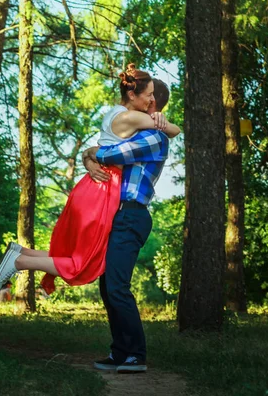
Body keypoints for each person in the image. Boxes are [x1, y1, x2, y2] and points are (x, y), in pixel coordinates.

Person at [0, 65, 179, 298]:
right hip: (102, 190)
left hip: (94, 186)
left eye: (153, 95)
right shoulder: (137, 121)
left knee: (76, 253)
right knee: (82, 263)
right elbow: (171, 131)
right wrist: (160, 121)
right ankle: (20, 262)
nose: (150, 99)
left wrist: (89, 157)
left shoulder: (121, 116)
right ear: (137, 97)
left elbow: (100, 150)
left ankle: (22, 254)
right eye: (148, 94)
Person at [81, 80, 175, 375]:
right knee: (108, 287)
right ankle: (119, 351)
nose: (141, 103)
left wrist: (91, 152)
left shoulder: (155, 138)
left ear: (152, 104)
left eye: (148, 99)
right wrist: (88, 155)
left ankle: (136, 354)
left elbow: (112, 154)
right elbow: (105, 149)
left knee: (118, 286)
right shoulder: (142, 131)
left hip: (131, 216)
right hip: (117, 216)